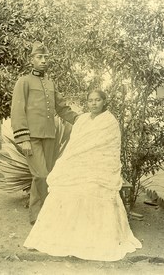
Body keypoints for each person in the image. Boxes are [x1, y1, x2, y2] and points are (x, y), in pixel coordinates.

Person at [23, 89, 142, 261]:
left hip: (100, 166)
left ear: (104, 102)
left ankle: (91, 240)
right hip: (80, 163)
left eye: (98, 100)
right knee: (63, 188)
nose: (94, 103)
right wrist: (68, 163)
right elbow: (75, 147)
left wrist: (94, 165)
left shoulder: (109, 121)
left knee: (92, 187)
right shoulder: (82, 120)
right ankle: (63, 238)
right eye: (90, 100)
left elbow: (109, 150)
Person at [11, 41, 78, 225]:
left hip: (49, 136)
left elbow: (62, 107)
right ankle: (47, 213)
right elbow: (17, 111)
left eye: (46, 57)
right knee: (41, 175)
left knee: (44, 175)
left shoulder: (50, 83)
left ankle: (36, 217)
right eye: (39, 57)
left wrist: (80, 120)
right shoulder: (23, 82)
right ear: (31, 59)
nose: (43, 61)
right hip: (31, 137)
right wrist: (23, 138)